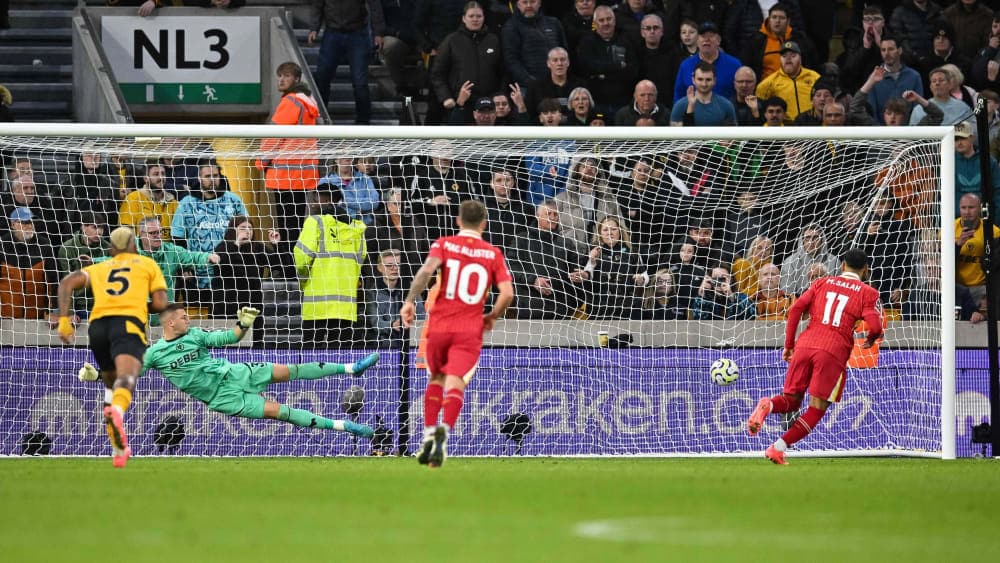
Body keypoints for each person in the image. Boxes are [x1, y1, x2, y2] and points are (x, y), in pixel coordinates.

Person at [140, 303, 377, 438]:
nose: (188, 320)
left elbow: (229, 337)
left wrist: (243, 324)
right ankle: (343, 426)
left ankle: (351, 368)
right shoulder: (154, 353)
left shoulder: (195, 335)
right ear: (170, 323)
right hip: (221, 398)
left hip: (234, 373)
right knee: (279, 411)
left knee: (289, 370)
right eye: (184, 317)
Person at [400, 200, 515, 468]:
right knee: (456, 383)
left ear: (458, 221)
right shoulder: (493, 253)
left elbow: (426, 271)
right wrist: (492, 316)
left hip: (440, 326)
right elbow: (508, 294)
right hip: (469, 329)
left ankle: (429, 434)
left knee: (437, 379)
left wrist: (409, 301)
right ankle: (443, 432)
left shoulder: (444, 244)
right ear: (484, 224)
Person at [747, 248, 884, 465]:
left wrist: (789, 345)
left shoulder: (822, 282)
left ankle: (768, 404)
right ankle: (777, 449)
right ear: (866, 270)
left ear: (842, 266)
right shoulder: (868, 292)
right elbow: (875, 325)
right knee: (817, 409)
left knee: (791, 401)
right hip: (832, 351)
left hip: (805, 345)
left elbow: (795, 310)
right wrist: (872, 337)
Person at [56, 227, 169, 468]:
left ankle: (118, 448)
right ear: (134, 245)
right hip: (127, 325)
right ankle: (117, 411)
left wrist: (64, 320)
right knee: (127, 378)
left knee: (110, 381)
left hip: (97, 328)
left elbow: (67, 282)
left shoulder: (101, 267)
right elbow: (161, 304)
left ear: (112, 249)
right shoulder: (147, 264)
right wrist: (142, 305)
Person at [295, 184, 367, 348]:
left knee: (311, 356)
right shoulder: (356, 229)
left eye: (315, 199)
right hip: (345, 306)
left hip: (316, 304)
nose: (312, 204)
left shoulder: (315, 222)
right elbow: (360, 262)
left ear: (327, 200)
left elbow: (301, 258)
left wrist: (304, 281)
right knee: (340, 356)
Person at [257, 62, 320, 250]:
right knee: (296, 226)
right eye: (280, 75)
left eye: (286, 75)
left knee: (286, 228)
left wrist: (261, 162)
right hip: (303, 175)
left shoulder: (291, 101)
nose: (281, 79)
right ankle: (295, 262)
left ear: (297, 79)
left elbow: (274, 136)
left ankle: (287, 265)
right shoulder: (307, 102)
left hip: (285, 176)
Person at [212, 215, 293, 347]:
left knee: (255, 347)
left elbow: (284, 267)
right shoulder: (222, 247)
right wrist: (237, 244)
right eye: (243, 228)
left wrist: (277, 245)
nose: (247, 231)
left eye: (250, 228)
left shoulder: (257, 248)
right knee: (229, 347)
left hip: (252, 309)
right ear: (233, 230)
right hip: (227, 309)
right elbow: (220, 266)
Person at [308, 0, 384, 124]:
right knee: (322, 76)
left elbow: (375, 5)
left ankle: (363, 122)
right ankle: (320, 117)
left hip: (358, 32)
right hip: (332, 32)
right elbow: (317, 4)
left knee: (360, 82)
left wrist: (378, 32)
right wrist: (314, 28)